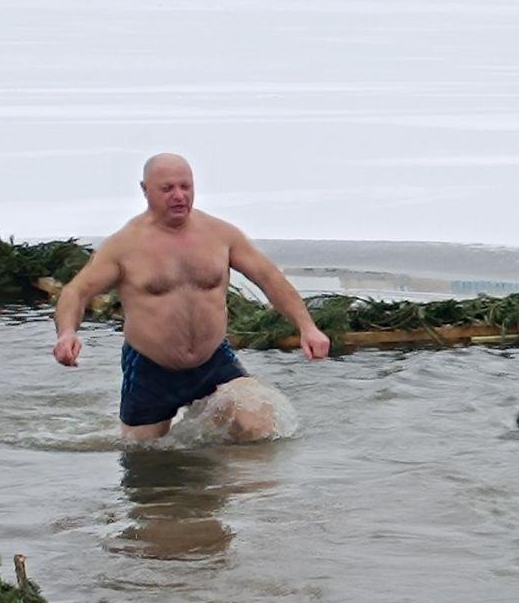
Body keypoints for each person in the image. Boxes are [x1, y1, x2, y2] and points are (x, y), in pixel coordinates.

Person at [51, 153, 330, 440]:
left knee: (258, 428)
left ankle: (225, 480)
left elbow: (268, 277)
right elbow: (77, 291)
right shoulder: (123, 246)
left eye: (186, 187)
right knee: (143, 459)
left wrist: (307, 327)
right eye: (167, 188)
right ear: (145, 190)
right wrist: (67, 333)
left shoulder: (220, 234)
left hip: (213, 359)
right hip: (151, 367)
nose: (179, 196)